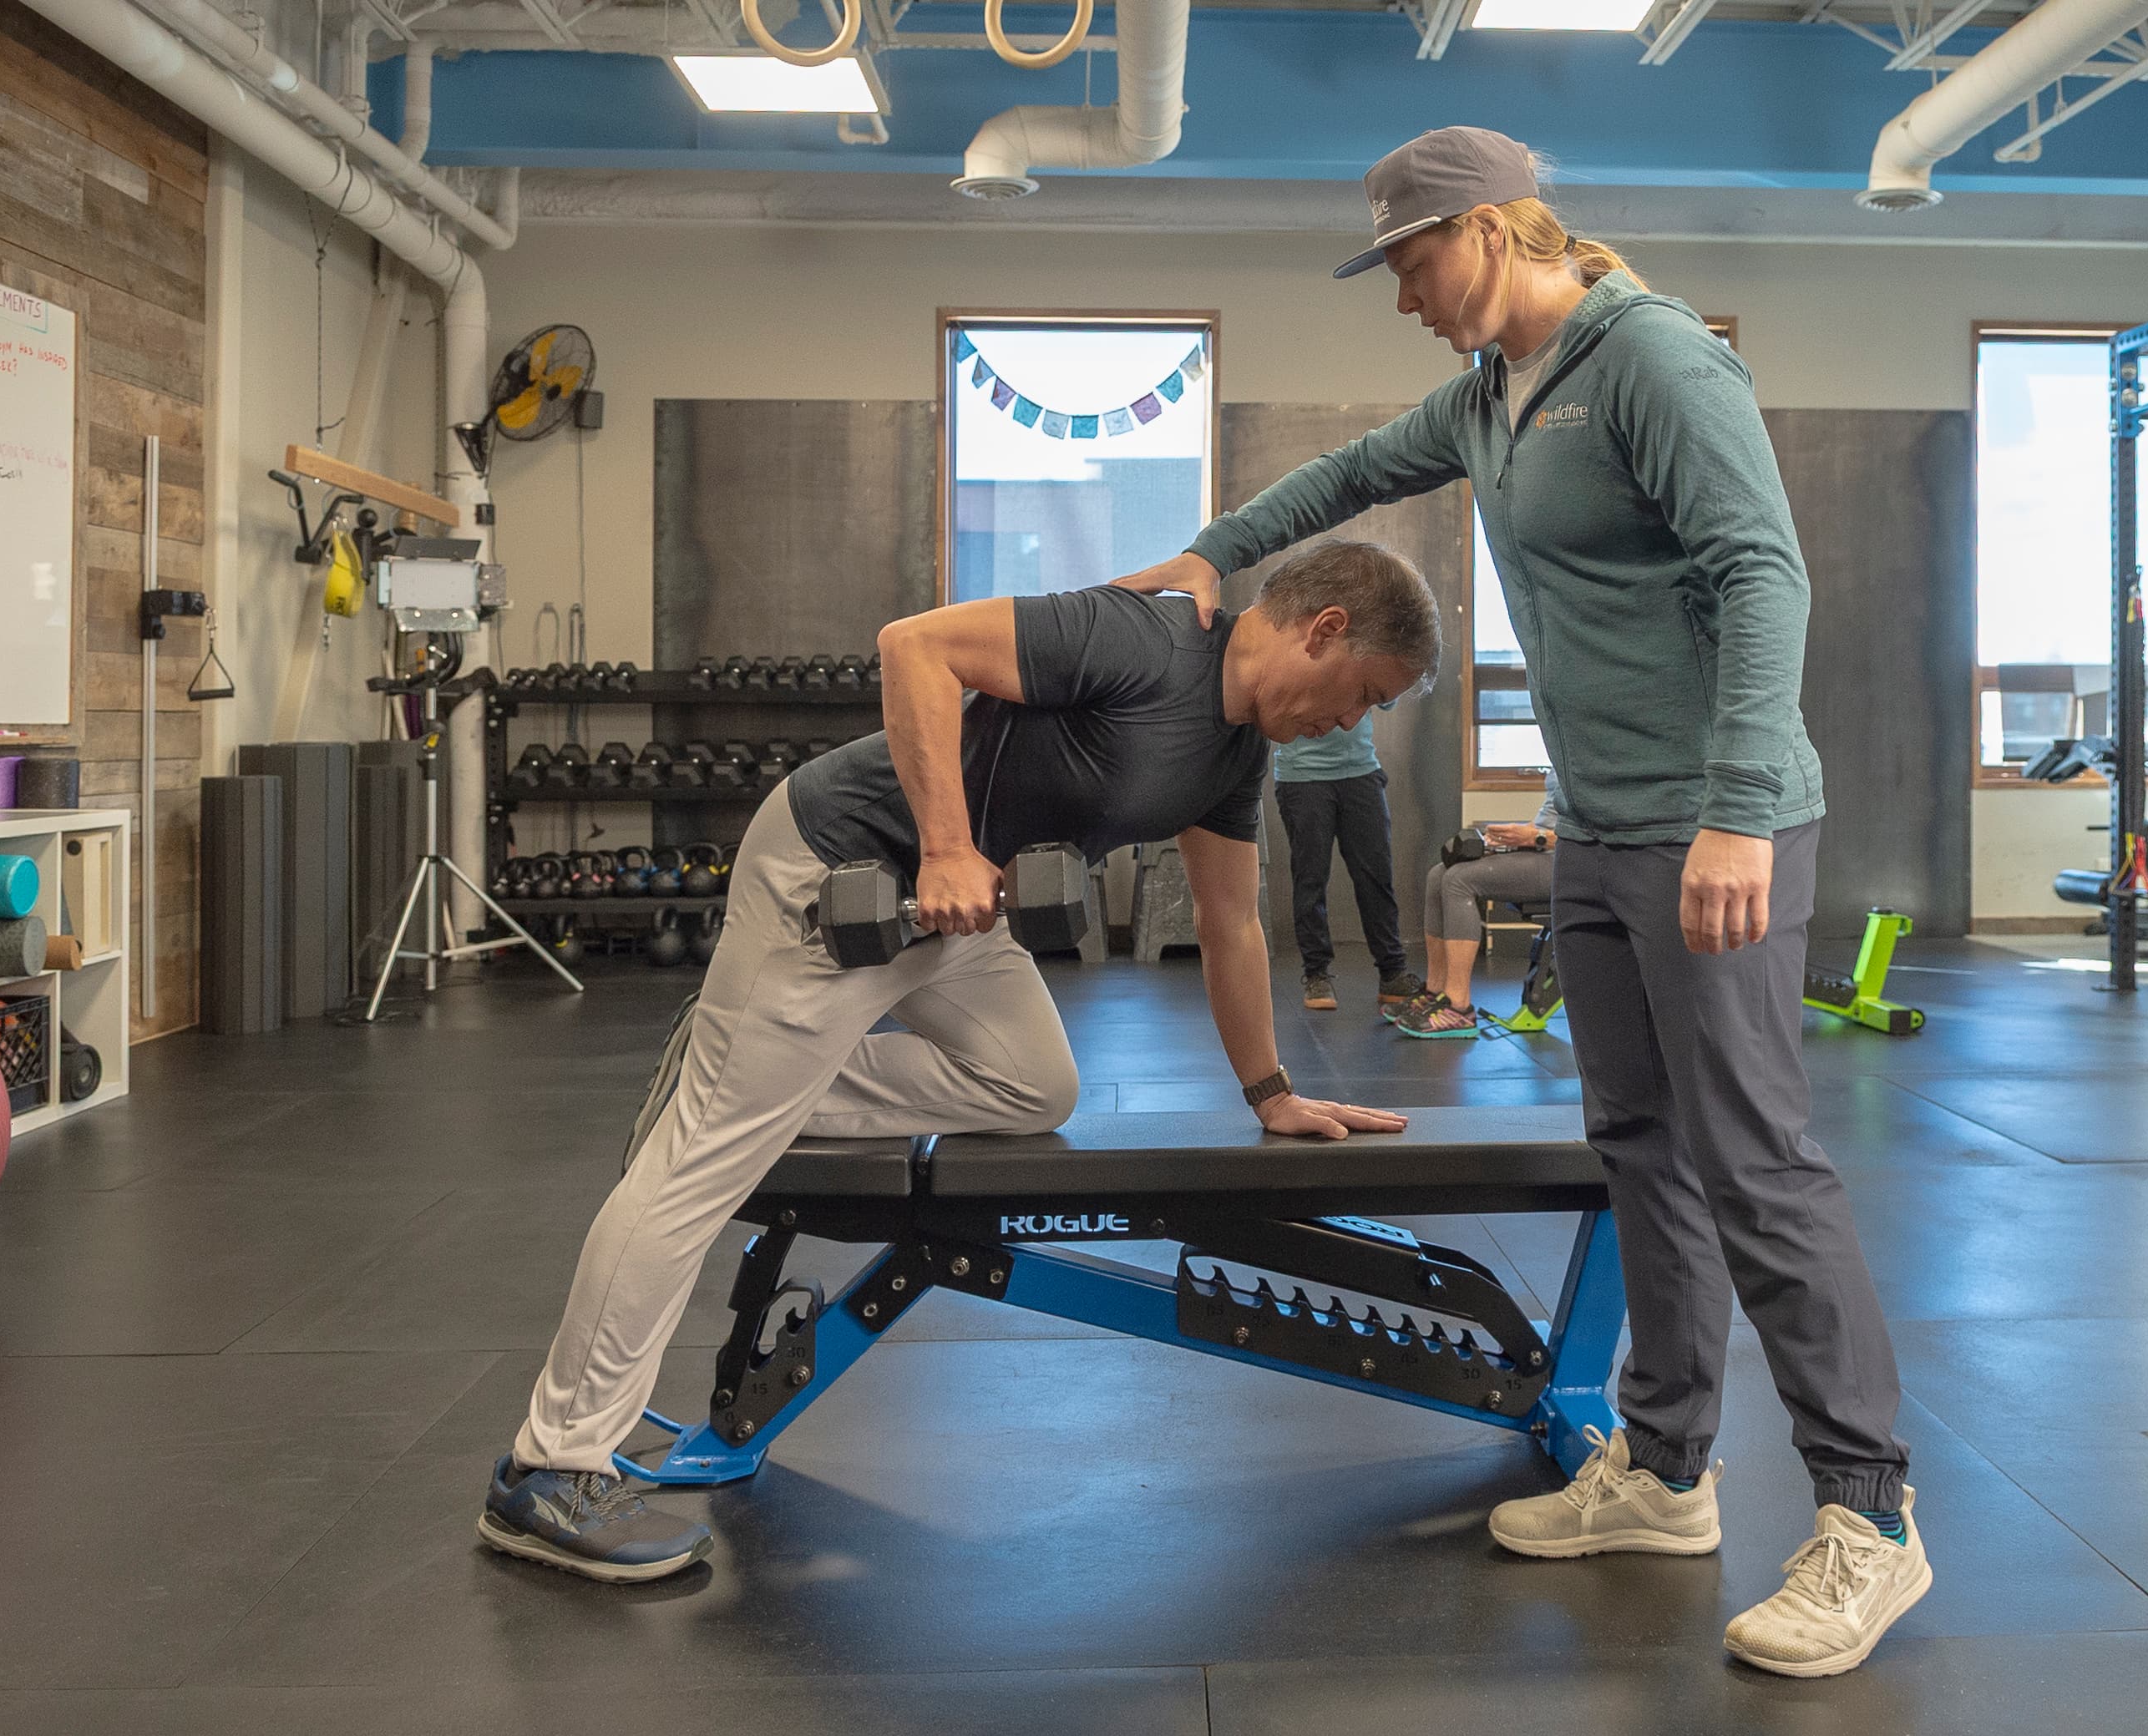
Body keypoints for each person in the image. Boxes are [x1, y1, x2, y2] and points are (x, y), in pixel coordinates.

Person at [1115, 126, 1925, 1679]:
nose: (1406, 296)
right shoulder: (1496, 394)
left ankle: (1871, 1516)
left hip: (1716, 823)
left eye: (1413, 263)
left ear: (1488, 230)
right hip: (1604, 833)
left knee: (1755, 1158)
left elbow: (1764, 573)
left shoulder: (1655, 362)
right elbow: (1354, 473)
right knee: (1638, 1144)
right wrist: (1211, 559)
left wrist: (1739, 811)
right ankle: (1667, 1466)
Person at [479, 544, 1439, 1584]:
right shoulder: (1143, 639)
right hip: (839, 869)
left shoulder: (1233, 755)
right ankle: (551, 1465)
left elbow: (1228, 920)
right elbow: (915, 647)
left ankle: (734, 1069)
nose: (1350, 724)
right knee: (699, 1169)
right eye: (1363, 698)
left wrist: (1271, 1092)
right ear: (1325, 629)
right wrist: (943, 841)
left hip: (956, 918)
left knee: (1035, 1087)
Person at [1274, 708, 1425, 1013]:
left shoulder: (1364, 656)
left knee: (1376, 878)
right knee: (1310, 879)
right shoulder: (1290, 657)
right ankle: (1316, 974)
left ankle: (1392, 974)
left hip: (1361, 770)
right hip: (1303, 775)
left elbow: (1388, 699)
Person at [1394, 768, 1561, 1038]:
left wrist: (1536, 838)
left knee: (1459, 879)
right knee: (1439, 874)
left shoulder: (1601, 757)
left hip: (1568, 862)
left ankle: (1459, 1008)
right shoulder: (1565, 753)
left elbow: (1592, 832)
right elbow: (1550, 819)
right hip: (1545, 851)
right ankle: (1437, 992)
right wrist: (1513, 838)